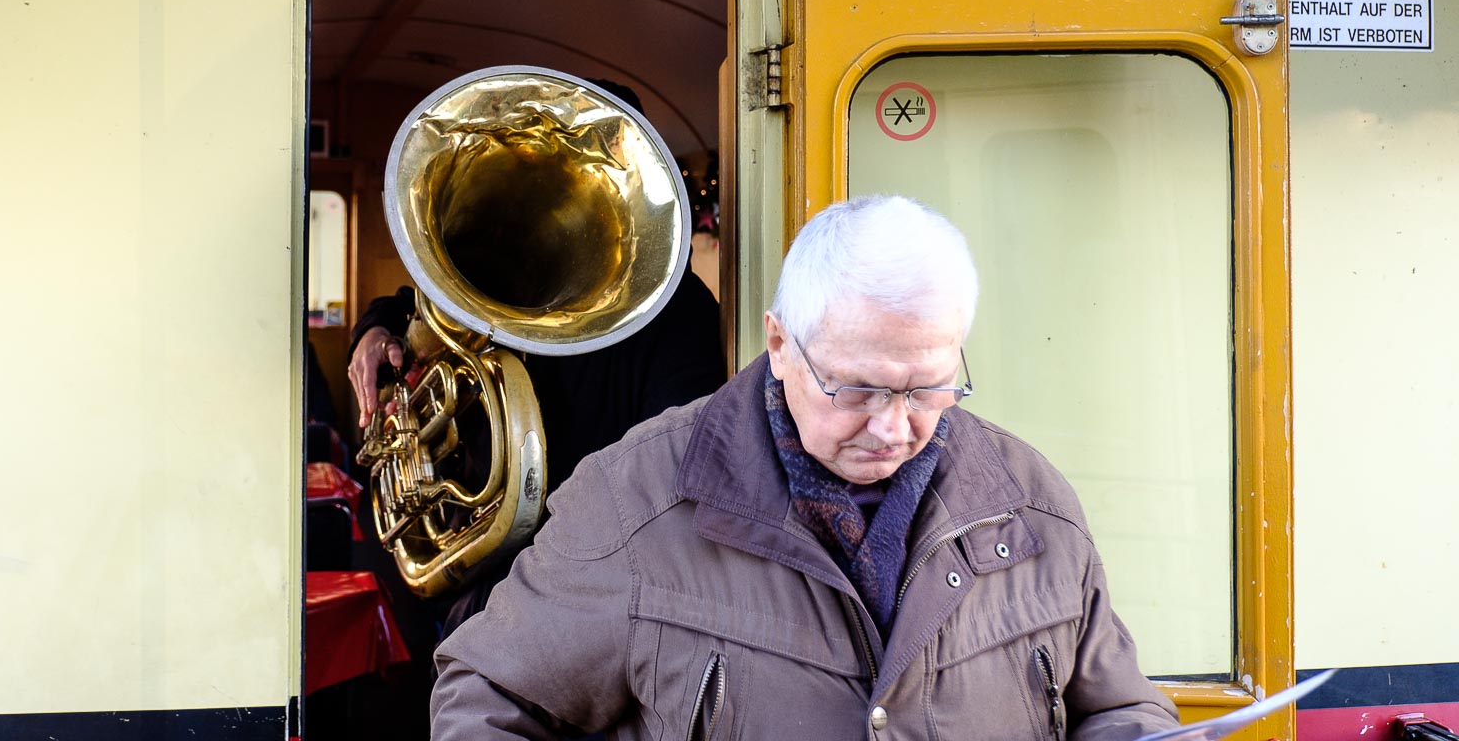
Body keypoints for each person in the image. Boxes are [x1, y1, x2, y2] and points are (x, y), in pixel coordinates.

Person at [430, 195, 1180, 741]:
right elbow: (487, 697)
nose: (894, 427)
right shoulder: (631, 500)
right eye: (856, 388)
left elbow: (1118, 707)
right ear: (781, 344)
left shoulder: (1034, 499)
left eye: (927, 388)